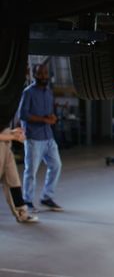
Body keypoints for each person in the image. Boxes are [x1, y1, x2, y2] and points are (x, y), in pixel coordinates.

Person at [19, 64, 63, 212]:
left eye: (45, 73)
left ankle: (46, 197)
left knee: (56, 165)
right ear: (34, 74)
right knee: (31, 171)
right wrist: (44, 120)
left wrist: (52, 117)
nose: (44, 76)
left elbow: (49, 113)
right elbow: (23, 115)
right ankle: (27, 200)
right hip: (34, 139)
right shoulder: (28, 93)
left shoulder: (48, 92)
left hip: (48, 137)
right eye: (40, 73)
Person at [0, 127, 38, 223]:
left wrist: (11, 132)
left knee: (14, 180)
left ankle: (22, 213)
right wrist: (13, 136)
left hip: (6, 145)